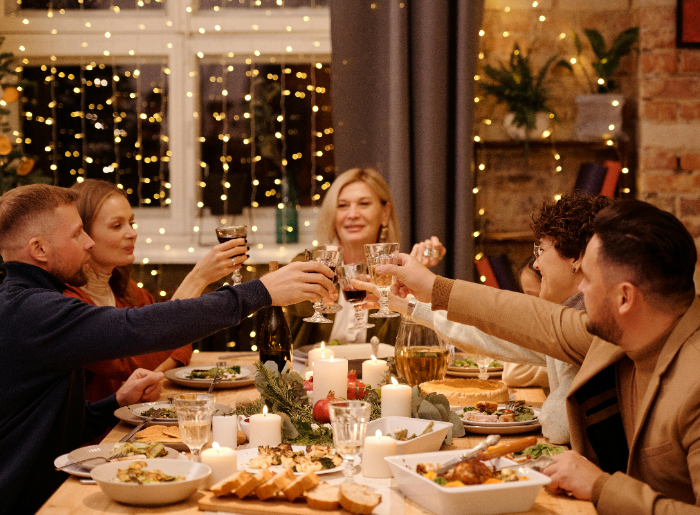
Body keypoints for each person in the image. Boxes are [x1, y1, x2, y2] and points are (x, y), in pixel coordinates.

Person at [0, 184, 335, 515]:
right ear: (39, 249)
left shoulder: (32, 303)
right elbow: (138, 328)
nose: (87, 243)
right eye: (76, 235)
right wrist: (260, 292)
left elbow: (50, 424)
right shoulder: (29, 309)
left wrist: (113, 404)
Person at [378, 199, 700, 514]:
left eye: (588, 279)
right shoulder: (621, 331)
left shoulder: (694, 382)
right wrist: (433, 288)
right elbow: (531, 318)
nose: (581, 291)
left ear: (625, 297)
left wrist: (601, 486)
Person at [359, 194, 613, 444]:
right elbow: (492, 334)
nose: (536, 264)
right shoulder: (574, 313)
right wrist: (409, 305)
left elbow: (559, 426)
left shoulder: (593, 322)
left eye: (541, 250)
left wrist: (432, 287)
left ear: (577, 258)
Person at [63, 179, 248, 403]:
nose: (132, 233)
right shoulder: (68, 304)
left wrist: (152, 374)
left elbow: (179, 341)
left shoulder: (129, 292)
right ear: (83, 235)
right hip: (100, 434)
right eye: (116, 225)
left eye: (131, 223)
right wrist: (198, 277)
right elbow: (130, 361)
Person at [287, 167, 446, 349]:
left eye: (364, 204)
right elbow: (297, 305)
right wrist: (318, 293)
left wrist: (417, 279)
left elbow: (403, 343)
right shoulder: (309, 264)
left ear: (385, 213)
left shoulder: (398, 273)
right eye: (342, 206)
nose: (352, 215)